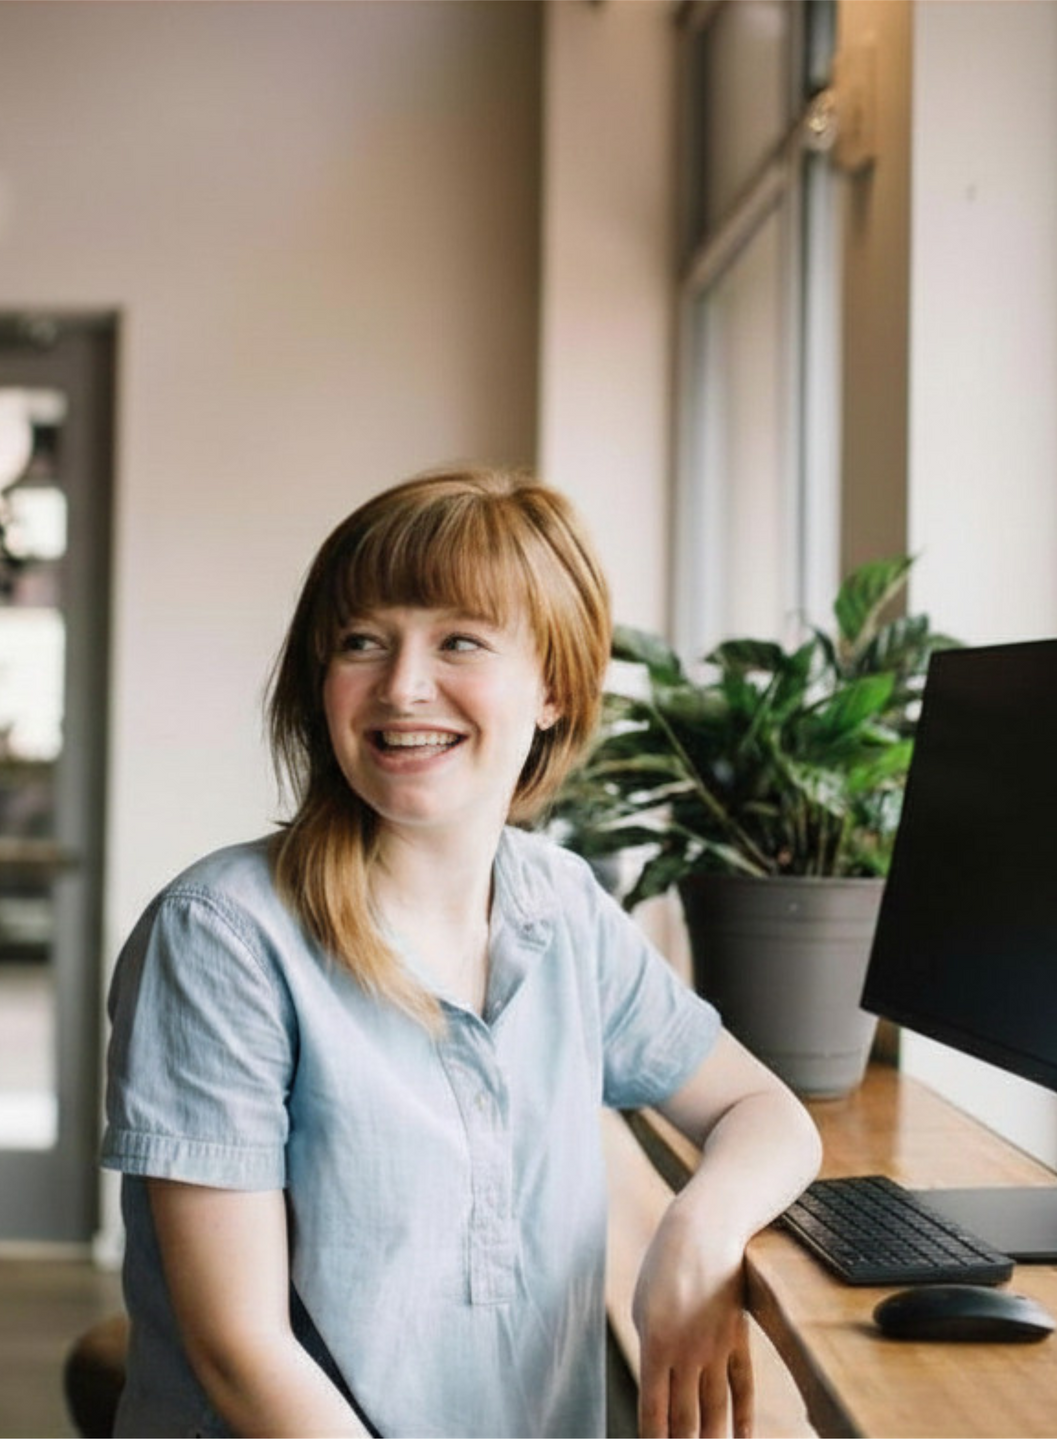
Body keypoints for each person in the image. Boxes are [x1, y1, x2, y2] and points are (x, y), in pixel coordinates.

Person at [99, 467, 822, 1438]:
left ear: (556, 687)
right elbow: (240, 1351)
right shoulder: (221, 933)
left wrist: (699, 1230)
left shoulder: (560, 904)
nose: (402, 686)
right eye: (362, 641)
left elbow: (762, 1109)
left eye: (459, 641)